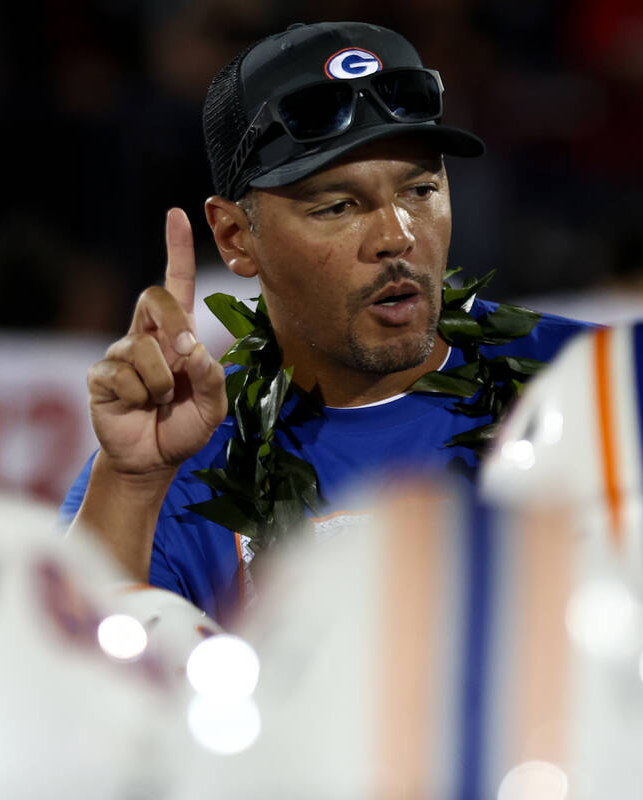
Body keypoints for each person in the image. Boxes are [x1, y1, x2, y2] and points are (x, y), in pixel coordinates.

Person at [61, 22, 590, 624]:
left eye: (420, 189)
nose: (398, 237)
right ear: (236, 238)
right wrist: (132, 483)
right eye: (338, 207)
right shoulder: (172, 463)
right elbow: (69, 696)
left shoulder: (595, 384)